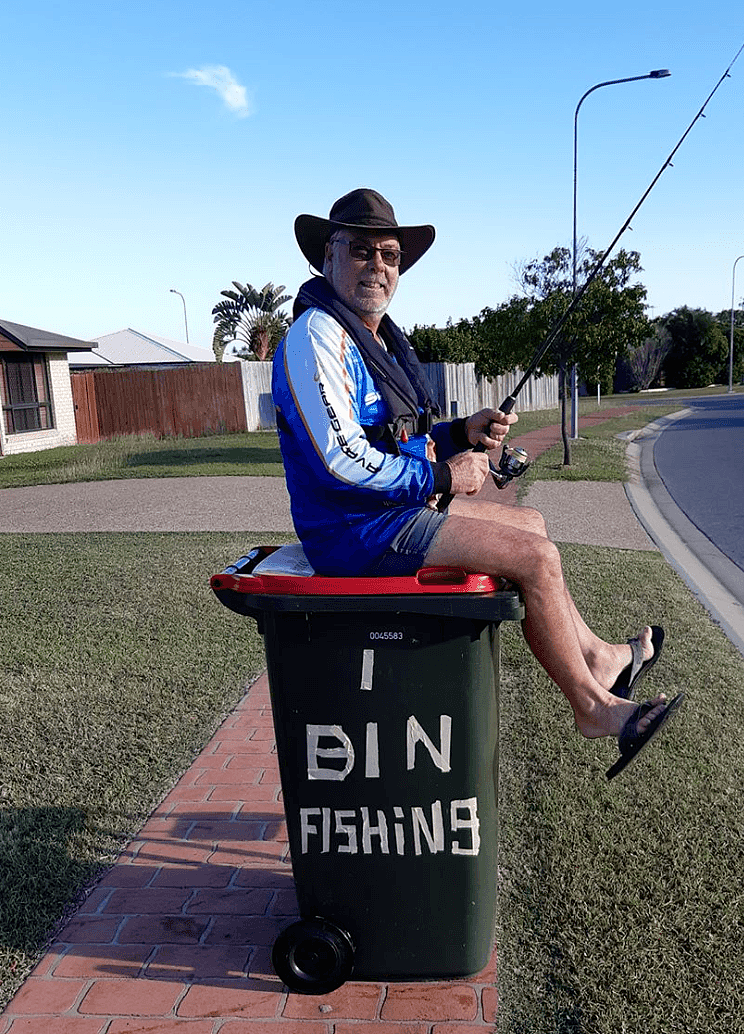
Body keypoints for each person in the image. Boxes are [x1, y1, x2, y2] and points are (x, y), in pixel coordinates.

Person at [272, 188, 682, 778]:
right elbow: (341, 459)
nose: (377, 266)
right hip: (354, 534)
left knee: (534, 527)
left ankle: (600, 656)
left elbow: (395, 434)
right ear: (325, 259)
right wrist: (442, 474)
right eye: (358, 250)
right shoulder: (316, 338)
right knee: (535, 558)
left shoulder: (374, 339)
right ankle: (594, 709)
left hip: (390, 514)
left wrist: (461, 432)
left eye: (388, 254)